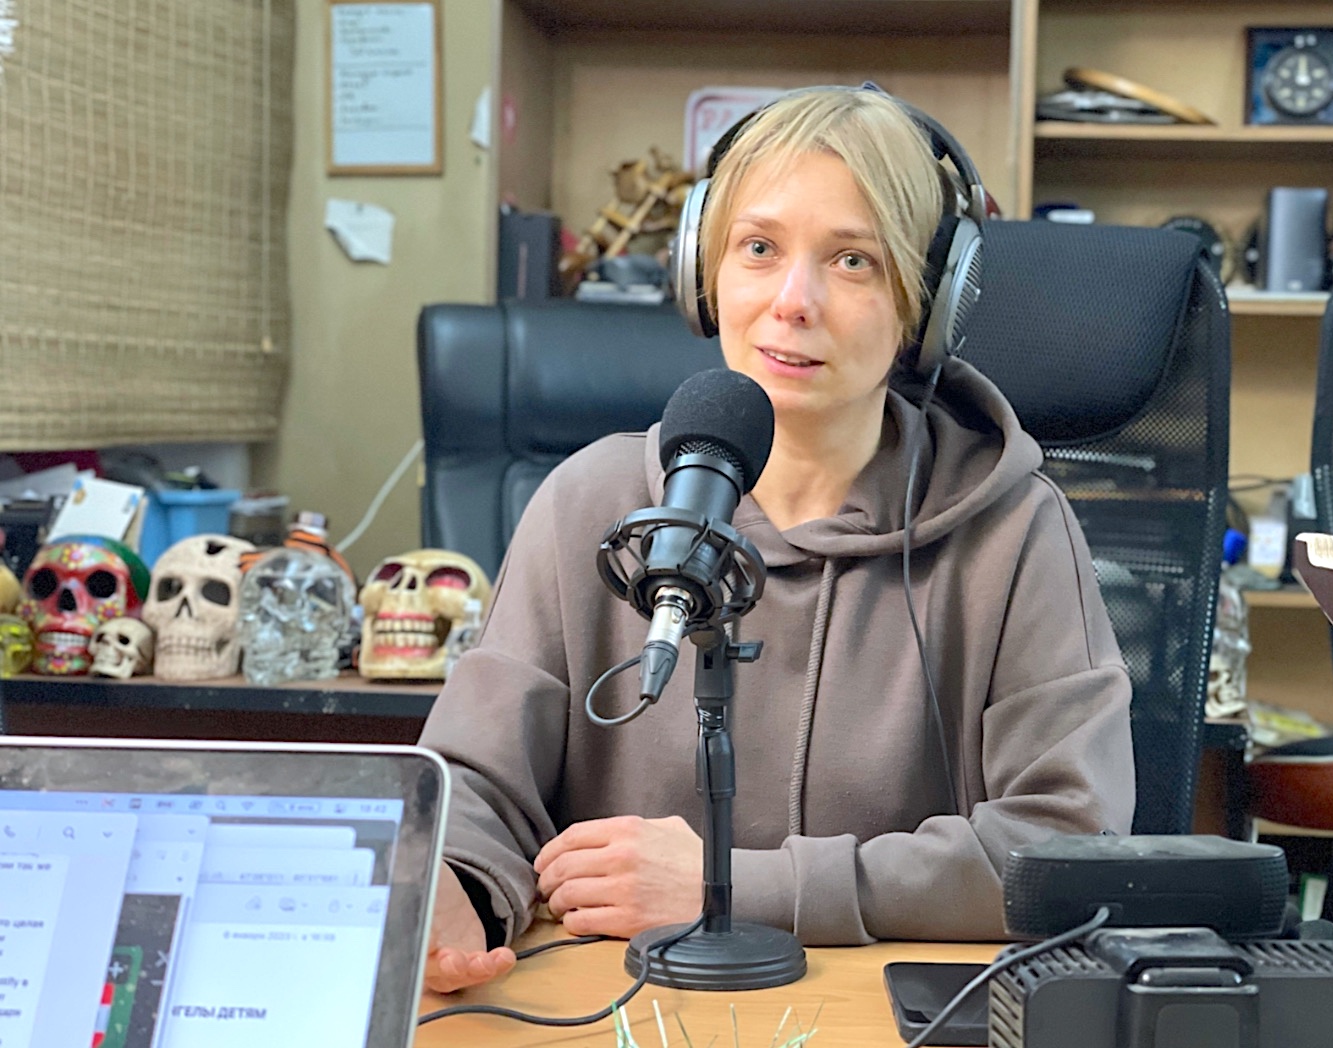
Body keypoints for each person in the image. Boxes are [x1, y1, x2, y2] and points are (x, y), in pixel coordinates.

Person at [419, 86, 1136, 994]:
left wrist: (737, 888)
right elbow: (472, 787)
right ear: (704, 272)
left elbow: (1069, 849)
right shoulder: (587, 502)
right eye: (758, 248)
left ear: (929, 305)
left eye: (853, 260)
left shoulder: (1015, 529)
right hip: (619, 1014)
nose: (794, 301)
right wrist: (452, 888)